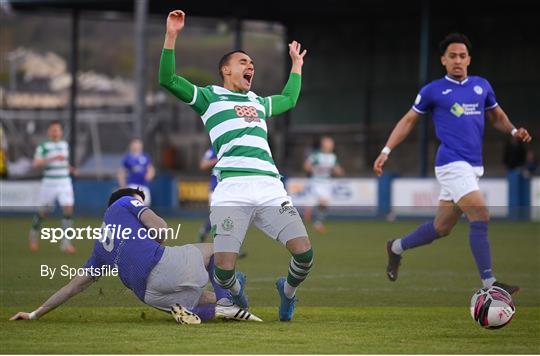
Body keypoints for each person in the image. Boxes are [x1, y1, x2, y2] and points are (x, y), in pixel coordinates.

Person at [159, 10, 313, 322]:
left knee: (305, 254)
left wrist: (296, 67)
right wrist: (172, 36)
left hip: (269, 186)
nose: (250, 66)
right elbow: (168, 79)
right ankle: (236, 292)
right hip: (231, 188)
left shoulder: (258, 102)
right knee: (224, 268)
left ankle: (288, 292)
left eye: (252, 64)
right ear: (226, 70)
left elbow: (288, 100)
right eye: (243, 62)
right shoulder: (208, 97)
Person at [373, 33, 532, 295]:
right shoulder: (433, 91)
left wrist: (514, 131)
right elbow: (408, 121)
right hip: (451, 164)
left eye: (462, 56)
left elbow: (497, 116)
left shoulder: (482, 86)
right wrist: (386, 150)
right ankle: (490, 285)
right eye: (452, 56)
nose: (457, 60)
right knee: (480, 213)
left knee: (441, 228)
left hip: (473, 167)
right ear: (443, 60)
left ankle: (396, 247)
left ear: (469, 59)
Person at [10, 187, 261, 324]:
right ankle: (229, 299)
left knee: (209, 299)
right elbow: (161, 228)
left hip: (150, 296)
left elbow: (72, 287)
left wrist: (34, 314)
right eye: (141, 200)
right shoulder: (124, 203)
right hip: (162, 265)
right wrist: (154, 235)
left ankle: (200, 308)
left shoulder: (99, 250)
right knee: (219, 248)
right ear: (130, 199)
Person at [28, 120, 76, 253]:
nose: (55, 132)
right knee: (44, 212)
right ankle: (33, 236)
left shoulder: (64, 145)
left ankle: (66, 243)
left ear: (61, 132)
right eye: (53, 130)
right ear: (49, 132)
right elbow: (36, 164)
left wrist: (70, 168)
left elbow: (63, 162)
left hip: (64, 182)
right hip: (49, 183)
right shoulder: (43, 147)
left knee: (68, 209)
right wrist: (52, 159)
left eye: (57, 130)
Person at [303, 136, 344, 233]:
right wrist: (312, 169)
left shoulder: (333, 157)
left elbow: (337, 169)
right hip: (316, 182)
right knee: (323, 201)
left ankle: (315, 219)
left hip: (327, 183)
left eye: (331, 143)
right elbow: (306, 165)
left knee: (324, 205)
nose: (331, 145)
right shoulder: (316, 155)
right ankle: (312, 214)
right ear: (323, 144)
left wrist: (339, 171)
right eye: (329, 143)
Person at [117, 138, 155, 206]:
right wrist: (122, 185)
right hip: (132, 185)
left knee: (145, 205)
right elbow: (122, 172)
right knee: (135, 205)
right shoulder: (127, 158)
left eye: (138, 144)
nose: (136, 146)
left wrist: (149, 175)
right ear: (131, 146)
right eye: (134, 145)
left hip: (143, 185)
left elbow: (151, 169)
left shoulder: (145, 157)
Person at [196, 145, 218, 243]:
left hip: (230, 189)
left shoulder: (233, 148)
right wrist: (218, 160)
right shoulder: (214, 149)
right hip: (215, 189)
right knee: (218, 215)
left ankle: (204, 230)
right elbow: (203, 164)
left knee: (230, 215)